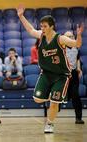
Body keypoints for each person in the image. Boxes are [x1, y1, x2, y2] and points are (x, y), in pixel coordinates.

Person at [17, 5, 83, 133]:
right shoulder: (41, 36)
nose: (42, 29)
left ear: (52, 26)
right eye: (41, 26)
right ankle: (55, 97)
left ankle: (50, 124)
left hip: (61, 76)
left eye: (45, 26)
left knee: (54, 103)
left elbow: (77, 44)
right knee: (37, 99)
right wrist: (21, 16)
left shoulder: (60, 38)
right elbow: (30, 30)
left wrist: (79, 35)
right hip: (46, 74)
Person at [64, 31, 84, 124]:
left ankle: (78, 118)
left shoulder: (76, 47)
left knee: (76, 96)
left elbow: (77, 59)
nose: (70, 38)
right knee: (59, 97)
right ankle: (51, 120)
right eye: (67, 36)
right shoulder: (61, 48)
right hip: (63, 75)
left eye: (71, 36)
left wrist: (79, 68)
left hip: (74, 74)